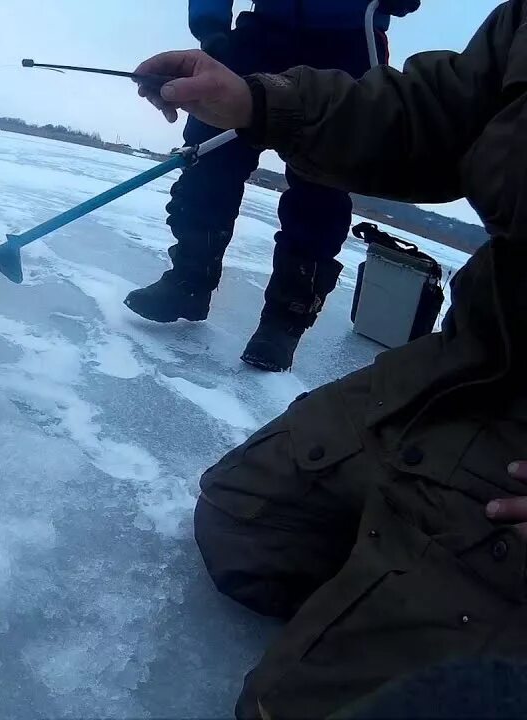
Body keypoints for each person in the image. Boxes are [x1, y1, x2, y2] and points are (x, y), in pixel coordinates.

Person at [132, 1, 527, 717]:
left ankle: (287, 320)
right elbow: (434, 115)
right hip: (481, 360)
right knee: (243, 526)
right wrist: (255, 100)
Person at [124, 0, 421, 372]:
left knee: (322, 180)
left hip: (348, 41)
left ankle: (285, 319)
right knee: (209, 155)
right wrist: (212, 29)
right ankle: (188, 279)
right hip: (262, 31)